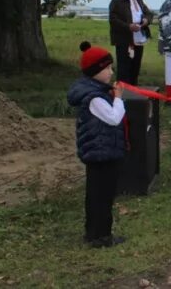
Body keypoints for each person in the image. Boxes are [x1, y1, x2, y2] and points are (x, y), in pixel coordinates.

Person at [67, 42, 127, 248]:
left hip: (100, 150)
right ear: (96, 71)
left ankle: (95, 233)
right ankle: (101, 236)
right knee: (101, 197)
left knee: (98, 195)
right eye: (107, 68)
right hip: (101, 153)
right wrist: (119, 99)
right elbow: (113, 118)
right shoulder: (94, 98)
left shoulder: (95, 91)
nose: (111, 72)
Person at [108, 0, 153, 85]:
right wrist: (128, 26)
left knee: (135, 68)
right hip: (124, 40)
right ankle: (122, 95)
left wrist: (146, 20)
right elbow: (113, 20)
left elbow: (149, 13)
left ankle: (133, 94)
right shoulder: (117, 1)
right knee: (124, 69)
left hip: (138, 39)